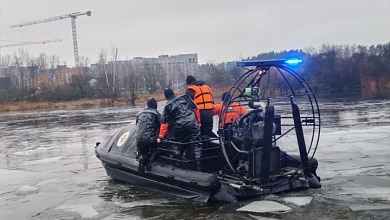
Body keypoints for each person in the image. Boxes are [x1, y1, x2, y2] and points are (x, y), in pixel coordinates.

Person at [157, 88, 203, 171]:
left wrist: (160, 137)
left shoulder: (167, 106)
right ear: (173, 93)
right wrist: (198, 121)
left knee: (175, 143)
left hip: (180, 126)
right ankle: (198, 164)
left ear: (166, 96)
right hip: (192, 123)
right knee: (196, 143)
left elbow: (164, 123)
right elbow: (196, 109)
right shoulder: (185, 98)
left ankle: (177, 164)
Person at [136, 98, 161, 174]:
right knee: (157, 147)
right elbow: (161, 126)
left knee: (144, 153)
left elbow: (137, 125)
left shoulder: (139, 113)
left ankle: (143, 158)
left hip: (138, 139)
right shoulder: (156, 114)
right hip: (150, 139)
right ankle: (151, 162)